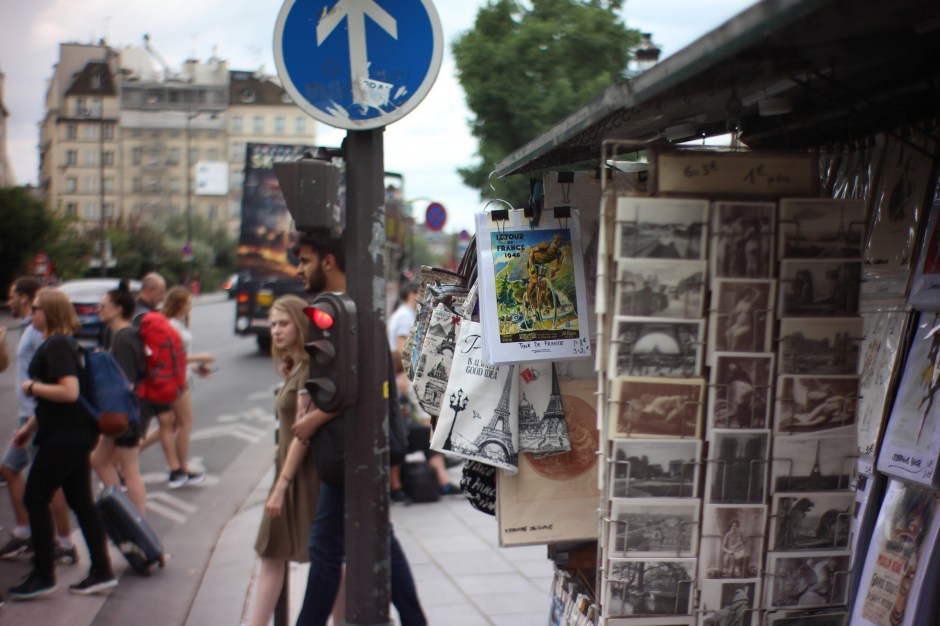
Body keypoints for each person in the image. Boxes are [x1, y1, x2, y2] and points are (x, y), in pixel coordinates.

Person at [291, 230, 426, 626]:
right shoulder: (351, 306)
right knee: (368, 537)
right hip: (354, 448)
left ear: (328, 261)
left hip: (353, 448)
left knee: (328, 546)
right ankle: (415, 620)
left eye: (305, 260)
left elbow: (356, 386)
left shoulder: (347, 310)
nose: (299, 270)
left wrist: (313, 418)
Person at [9, 287, 116, 599]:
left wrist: (31, 387)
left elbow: (69, 392)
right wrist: (29, 427)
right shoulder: (62, 343)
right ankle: (102, 571)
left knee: (35, 497)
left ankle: (44, 575)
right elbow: (60, 399)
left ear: (50, 311)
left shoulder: (57, 345)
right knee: (81, 502)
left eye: (36, 308)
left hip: (65, 438)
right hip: (72, 434)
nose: (31, 313)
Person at [248, 295, 325, 626]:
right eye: (272, 324)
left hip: (300, 475)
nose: (276, 330)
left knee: (324, 558)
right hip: (289, 472)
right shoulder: (297, 368)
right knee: (272, 551)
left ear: (299, 324)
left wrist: (281, 486)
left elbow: (301, 434)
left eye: (283, 323)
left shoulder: (307, 370)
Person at [0, 278, 76, 566]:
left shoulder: (40, 333)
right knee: (10, 468)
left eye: (12, 296)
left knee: (48, 484)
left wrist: (34, 400)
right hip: (29, 416)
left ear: (25, 298)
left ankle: (64, 543)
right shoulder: (28, 328)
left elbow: (59, 380)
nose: (8, 301)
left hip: (38, 416)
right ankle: (25, 531)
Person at [386, 281, 458, 502]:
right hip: (406, 379)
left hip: (404, 381)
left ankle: (441, 476)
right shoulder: (403, 316)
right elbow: (403, 347)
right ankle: (438, 476)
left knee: (427, 427)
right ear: (411, 294)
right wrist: (406, 371)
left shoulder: (405, 314)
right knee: (424, 425)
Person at [141, 286, 210, 488]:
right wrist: (200, 358)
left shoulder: (175, 323)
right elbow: (174, 356)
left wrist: (196, 368)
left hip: (180, 376)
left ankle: (131, 451)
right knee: (184, 423)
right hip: (177, 381)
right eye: (188, 302)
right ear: (179, 303)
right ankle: (182, 467)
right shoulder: (171, 325)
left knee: (171, 424)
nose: (191, 306)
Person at [90, 280, 148, 514]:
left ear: (118, 309)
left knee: (130, 470)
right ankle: (123, 511)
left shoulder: (124, 340)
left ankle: (138, 523)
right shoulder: (118, 336)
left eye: (103, 305)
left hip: (127, 413)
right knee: (99, 461)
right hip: (123, 412)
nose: (99, 310)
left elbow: (126, 381)